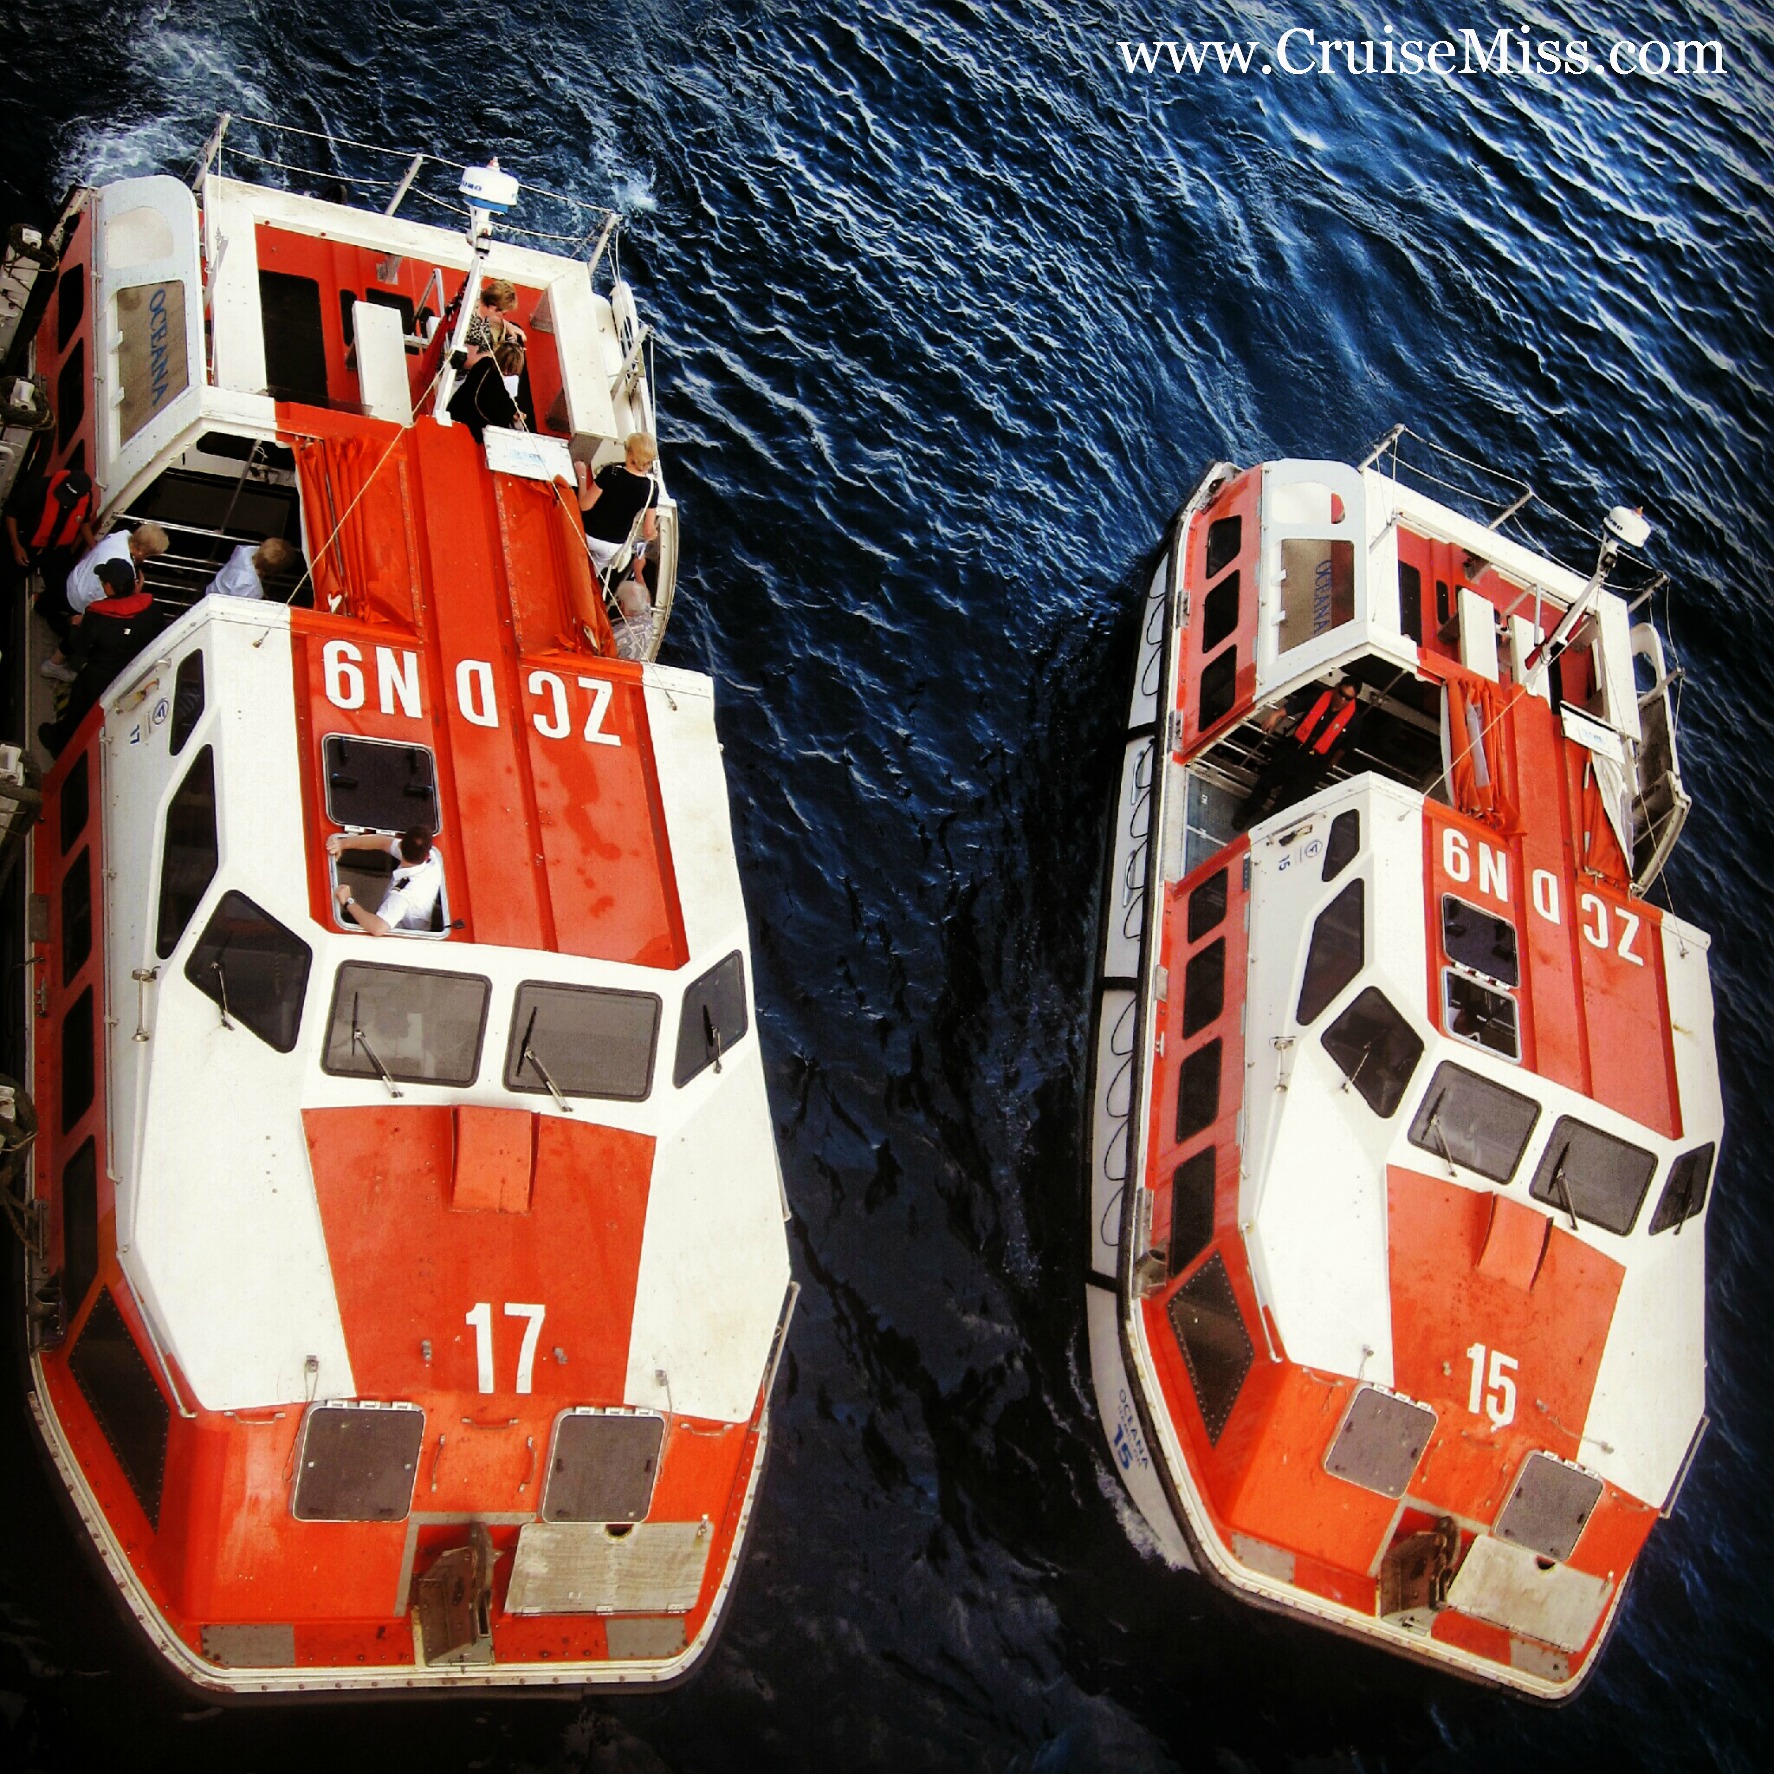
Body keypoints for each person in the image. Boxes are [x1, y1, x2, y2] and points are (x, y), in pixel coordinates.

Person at [36, 558, 166, 756]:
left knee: (78, 710)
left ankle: (59, 744)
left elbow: (79, 647)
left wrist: (74, 626)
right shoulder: (152, 608)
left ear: (109, 587)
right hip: (134, 672)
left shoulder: (98, 614)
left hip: (99, 676)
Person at [41, 521, 169, 679]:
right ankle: (57, 663)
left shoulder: (121, 536)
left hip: (73, 580)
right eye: (148, 555)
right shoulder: (123, 569)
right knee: (98, 630)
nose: (146, 559)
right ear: (142, 550)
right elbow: (112, 603)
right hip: (79, 600)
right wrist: (136, 591)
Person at [1235, 680, 1361, 831]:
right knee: (1266, 782)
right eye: (1341, 694)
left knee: (1288, 801)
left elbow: (1345, 747)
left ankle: (1267, 829)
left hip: (1314, 764)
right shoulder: (1318, 697)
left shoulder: (1354, 721)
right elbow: (1294, 706)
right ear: (1337, 687)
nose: (1342, 699)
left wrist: (1332, 762)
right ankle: (1246, 813)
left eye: (1348, 698)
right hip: (1294, 750)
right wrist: (1275, 715)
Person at [329, 827, 445, 936]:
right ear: (426, 855)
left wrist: (348, 901)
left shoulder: (402, 896)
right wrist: (342, 844)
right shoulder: (432, 860)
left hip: (403, 935)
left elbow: (378, 928)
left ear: (400, 845)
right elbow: (381, 842)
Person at [4, 468, 98, 596]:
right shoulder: (38, 487)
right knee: (8, 578)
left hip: (55, 548)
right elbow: (11, 512)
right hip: (27, 543)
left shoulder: (86, 499)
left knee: (61, 587)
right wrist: (16, 546)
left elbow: (83, 521)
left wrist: (93, 546)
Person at [575, 433, 659, 573]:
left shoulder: (611, 472)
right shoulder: (652, 488)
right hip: (612, 544)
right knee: (592, 573)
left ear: (630, 454)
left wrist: (582, 476)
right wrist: (653, 534)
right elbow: (648, 531)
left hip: (588, 532)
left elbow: (584, 505)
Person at [446, 339, 524, 443]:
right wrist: (513, 413)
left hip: (455, 412)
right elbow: (494, 405)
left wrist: (513, 411)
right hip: (465, 425)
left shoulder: (484, 364)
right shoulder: (493, 380)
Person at [205, 535, 297, 600]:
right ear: (274, 572)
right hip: (217, 603)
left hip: (212, 589)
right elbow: (236, 606)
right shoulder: (252, 586)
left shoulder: (245, 551)